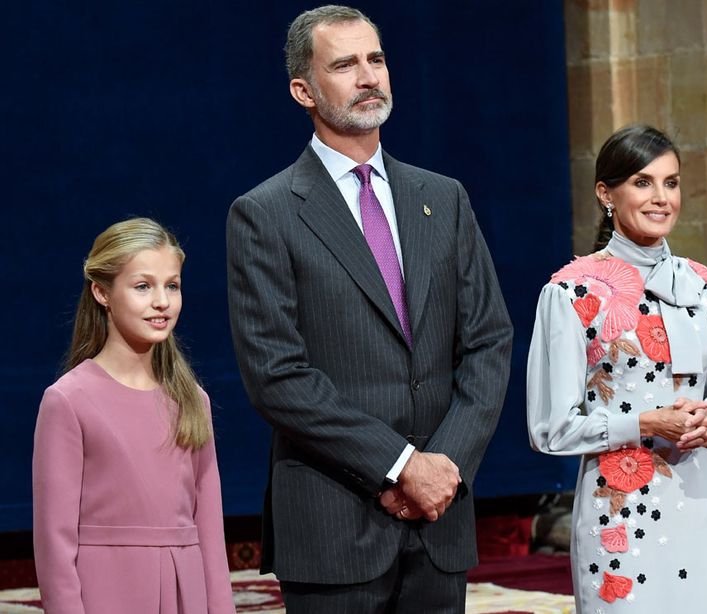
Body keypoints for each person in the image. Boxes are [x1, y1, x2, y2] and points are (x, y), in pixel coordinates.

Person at [225, 5, 513, 612]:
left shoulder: (444, 198)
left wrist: (444, 468)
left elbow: (489, 340)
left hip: (440, 520)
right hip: (335, 524)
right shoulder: (266, 213)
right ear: (303, 89)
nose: (368, 77)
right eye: (345, 64)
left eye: (376, 59)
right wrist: (399, 466)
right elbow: (276, 376)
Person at [526, 124, 707, 612]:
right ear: (605, 193)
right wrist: (644, 423)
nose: (661, 198)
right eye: (643, 182)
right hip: (619, 518)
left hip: (698, 506)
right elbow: (550, 428)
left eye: (671, 182)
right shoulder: (572, 293)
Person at [32, 218, 235, 614]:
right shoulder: (68, 401)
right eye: (143, 286)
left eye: (172, 285)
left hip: (184, 595)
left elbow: (210, 531)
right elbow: (55, 543)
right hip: (107, 593)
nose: (162, 301)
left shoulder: (193, 400)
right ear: (102, 292)